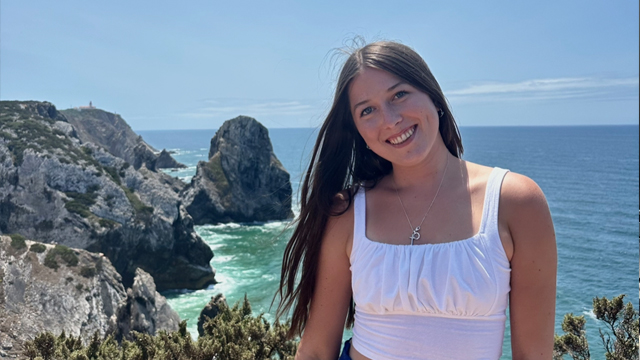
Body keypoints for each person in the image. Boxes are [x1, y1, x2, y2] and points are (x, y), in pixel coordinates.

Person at [275, 41, 557, 360]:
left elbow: (534, 355)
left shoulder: (515, 202)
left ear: (433, 97)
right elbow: (316, 350)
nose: (391, 119)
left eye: (399, 95)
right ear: (358, 133)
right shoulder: (349, 212)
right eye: (367, 110)